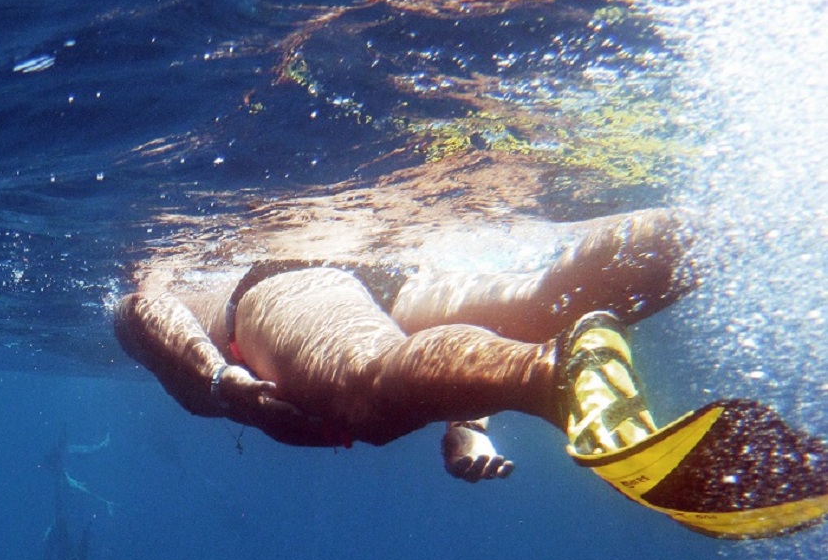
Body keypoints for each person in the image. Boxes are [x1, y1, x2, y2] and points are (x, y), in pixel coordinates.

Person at [114, 207, 691, 482]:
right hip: (383, 271)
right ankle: (706, 229)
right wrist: (466, 416)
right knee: (543, 304)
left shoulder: (153, 269)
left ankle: (553, 374)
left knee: (366, 395)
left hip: (279, 284)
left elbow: (144, 308)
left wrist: (220, 381)